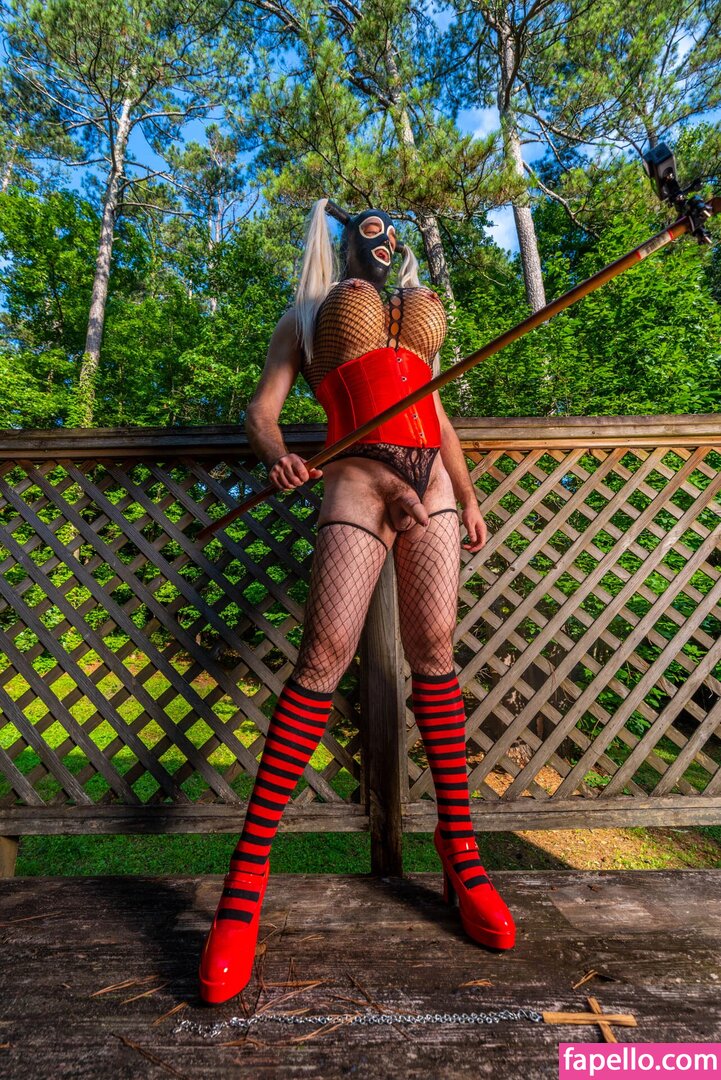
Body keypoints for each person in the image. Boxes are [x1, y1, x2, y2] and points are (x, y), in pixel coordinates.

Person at [198, 198, 515, 1006]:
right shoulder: (305, 315)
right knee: (323, 657)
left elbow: (435, 411)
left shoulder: (412, 315)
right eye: (368, 230)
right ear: (342, 241)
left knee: (434, 652)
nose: (383, 240)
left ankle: (460, 855)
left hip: (430, 481)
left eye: (390, 231)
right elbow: (261, 413)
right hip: (356, 479)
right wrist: (276, 456)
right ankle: (244, 884)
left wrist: (466, 494)